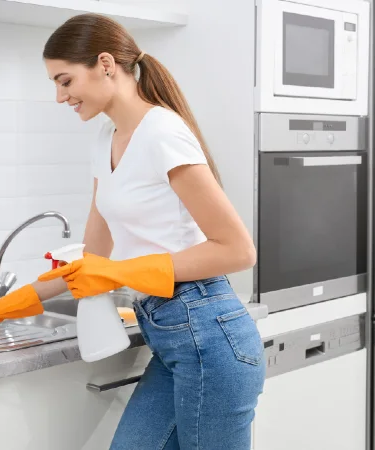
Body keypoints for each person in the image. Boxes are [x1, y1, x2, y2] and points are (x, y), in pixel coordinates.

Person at [33, 13, 266, 450]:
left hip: (210, 337)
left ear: (105, 64)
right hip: (175, 341)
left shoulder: (162, 132)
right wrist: (4, 306)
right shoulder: (107, 137)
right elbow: (94, 256)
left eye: (65, 81)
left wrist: (122, 274)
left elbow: (238, 250)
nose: (60, 96)